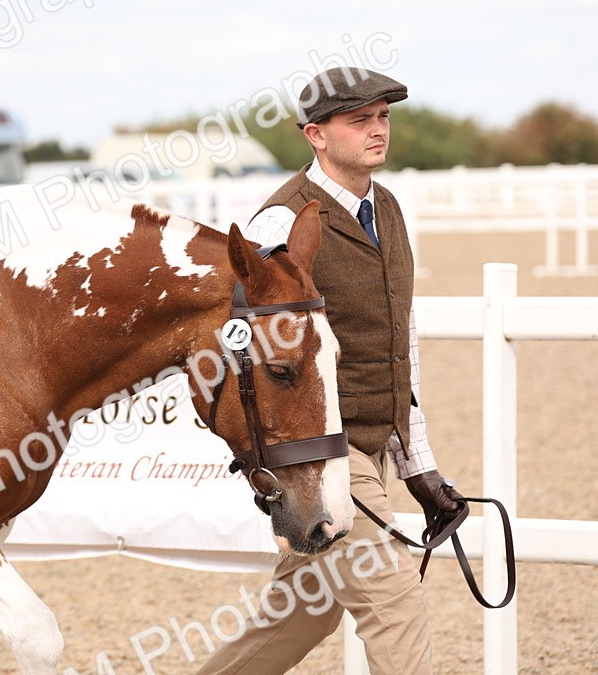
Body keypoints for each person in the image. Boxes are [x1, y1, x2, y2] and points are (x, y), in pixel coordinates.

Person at [197, 67, 464, 675]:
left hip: (372, 446)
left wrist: (418, 464)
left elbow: (403, 339)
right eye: (360, 120)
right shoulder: (277, 225)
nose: (378, 131)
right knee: (394, 605)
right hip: (319, 455)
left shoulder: (387, 208)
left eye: (384, 117)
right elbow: (252, 359)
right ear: (316, 135)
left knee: (301, 613)